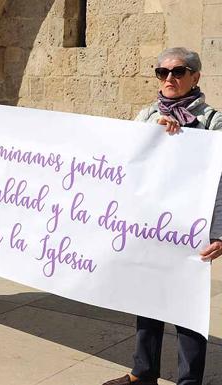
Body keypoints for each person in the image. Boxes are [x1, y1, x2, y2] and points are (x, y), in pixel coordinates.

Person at [102, 47, 222, 385]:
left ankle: (188, 381)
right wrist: (153, 138)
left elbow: (220, 179)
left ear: (195, 77)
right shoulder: (145, 117)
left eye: (178, 71)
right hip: (149, 226)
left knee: (187, 307)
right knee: (148, 298)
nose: (169, 78)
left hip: (189, 230)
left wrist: (220, 232)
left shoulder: (213, 121)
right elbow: (127, 166)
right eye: (162, 72)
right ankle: (143, 373)